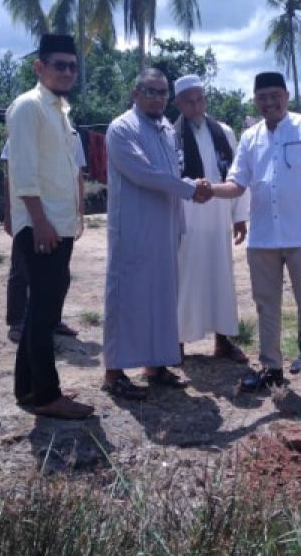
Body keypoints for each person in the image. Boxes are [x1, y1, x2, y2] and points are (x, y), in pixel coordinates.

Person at [207, 71, 301, 406]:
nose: (269, 102)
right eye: (262, 97)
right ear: (255, 101)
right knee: (267, 305)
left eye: (274, 95)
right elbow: (236, 183)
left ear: (286, 96)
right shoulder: (250, 137)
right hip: (263, 237)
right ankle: (272, 368)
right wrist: (207, 189)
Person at [101, 68, 211, 401]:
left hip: (165, 226)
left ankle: (157, 364)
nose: (158, 97)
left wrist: (184, 203)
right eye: (151, 91)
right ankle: (114, 372)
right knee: (127, 297)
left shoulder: (166, 129)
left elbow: (170, 172)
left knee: (162, 296)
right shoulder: (122, 128)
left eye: (163, 92)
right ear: (136, 93)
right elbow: (145, 174)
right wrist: (190, 189)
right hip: (133, 228)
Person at [6, 34, 94, 420]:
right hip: (42, 226)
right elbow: (23, 172)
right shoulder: (28, 106)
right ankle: (47, 395)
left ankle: (27, 388)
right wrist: (39, 222)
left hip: (59, 223)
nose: (67, 72)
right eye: (59, 65)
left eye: (72, 66)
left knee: (43, 307)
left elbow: (66, 170)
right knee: (44, 311)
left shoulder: (60, 110)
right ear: (39, 67)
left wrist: (73, 217)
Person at [172, 74, 249, 363]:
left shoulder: (225, 132)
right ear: (178, 103)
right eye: (189, 101)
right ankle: (176, 342)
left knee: (221, 277)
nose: (196, 106)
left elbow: (237, 176)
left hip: (218, 218)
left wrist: (239, 216)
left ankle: (223, 340)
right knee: (184, 278)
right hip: (185, 218)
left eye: (200, 99)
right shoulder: (170, 134)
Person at [1, 132, 85, 344]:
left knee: (60, 271)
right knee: (22, 269)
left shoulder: (72, 135)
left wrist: (79, 212)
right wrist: (9, 214)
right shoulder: (24, 129)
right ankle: (18, 320)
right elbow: (11, 175)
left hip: (62, 213)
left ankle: (53, 319)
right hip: (29, 214)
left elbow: (77, 175)